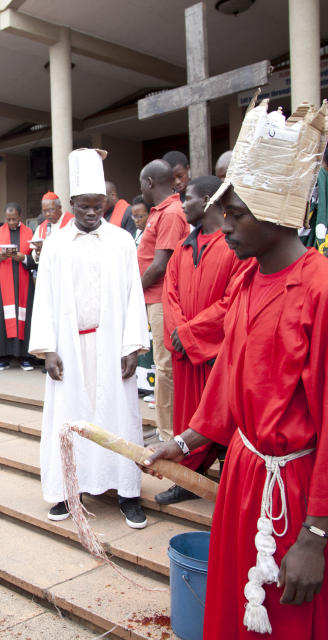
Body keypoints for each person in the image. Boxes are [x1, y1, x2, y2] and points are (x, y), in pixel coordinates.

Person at [145, 99, 328, 640]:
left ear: (278, 215)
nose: (223, 226)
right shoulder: (249, 280)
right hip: (245, 478)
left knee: (295, 620)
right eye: (223, 214)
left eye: (236, 215)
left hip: (302, 493)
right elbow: (231, 380)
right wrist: (184, 443)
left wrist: (317, 536)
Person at [29, 147, 149, 528]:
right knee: (70, 416)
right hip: (69, 345)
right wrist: (47, 349)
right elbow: (44, 297)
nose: (92, 212)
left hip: (113, 343)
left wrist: (133, 346)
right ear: (71, 203)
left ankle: (128, 492)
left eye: (98, 205)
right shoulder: (56, 244)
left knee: (120, 415)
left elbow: (134, 295)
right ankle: (70, 491)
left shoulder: (122, 241)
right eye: (84, 206)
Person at [157, 176, 253, 505]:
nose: (182, 205)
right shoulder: (184, 246)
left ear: (209, 200)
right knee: (189, 417)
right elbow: (169, 294)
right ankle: (188, 479)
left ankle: (232, 483)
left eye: (189, 198)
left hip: (218, 352)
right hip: (187, 353)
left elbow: (235, 299)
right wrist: (178, 332)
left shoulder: (235, 245)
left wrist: (190, 333)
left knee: (225, 415)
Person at [138, 159, 189, 442]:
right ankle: (164, 427)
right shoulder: (161, 211)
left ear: (149, 183)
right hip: (153, 298)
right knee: (162, 364)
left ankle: (169, 434)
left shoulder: (170, 213)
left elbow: (160, 264)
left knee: (165, 366)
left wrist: (132, 291)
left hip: (161, 298)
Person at [0, 203, 37, 371]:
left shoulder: (30, 234)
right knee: (2, 318)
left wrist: (23, 258)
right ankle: (3, 357)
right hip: (3, 283)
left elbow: (35, 261)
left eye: (14, 219)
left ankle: (25, 357)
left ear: (20, 217)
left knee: (24, 317)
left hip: (24, 283)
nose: (12, 222)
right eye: (8, 219)